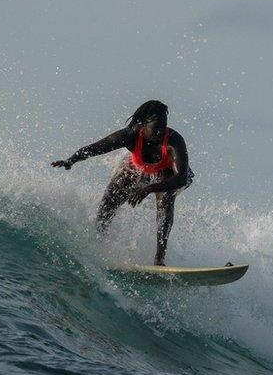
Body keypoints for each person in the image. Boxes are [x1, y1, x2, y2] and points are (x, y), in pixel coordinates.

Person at [51, 100, 193, 265]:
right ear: (143, 125)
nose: (160, 132)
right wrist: (71, 160)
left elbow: (181, 177)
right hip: (140, 166)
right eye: (156, 128)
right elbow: (96, 148)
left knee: (165, 199)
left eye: (164, 126)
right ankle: (97, 242)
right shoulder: (130, 136)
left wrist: (149, 189)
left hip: (169, 173)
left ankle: (159, 259)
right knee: (110, 201)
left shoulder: (174, 141)